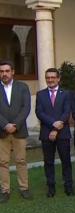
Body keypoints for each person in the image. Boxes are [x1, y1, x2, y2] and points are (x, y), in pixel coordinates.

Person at [35, 68, 74, 197]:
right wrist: (53, 124)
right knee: (48, 162)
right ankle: (51, 187)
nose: (50, 80)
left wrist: (56, 129)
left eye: (53, 77)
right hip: (46, 133)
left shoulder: (66, 94)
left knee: (66, 161)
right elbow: (39, 113)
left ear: (58, 79)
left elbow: (66, 112)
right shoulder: (40, 94)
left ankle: (68, 186)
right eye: (48, 78)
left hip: (62, 133)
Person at [0, 60, 32, 203]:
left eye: (7, 71)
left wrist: (15, 124)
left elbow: (26, 108)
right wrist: (5, 125)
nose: (4, 74)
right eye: (1, 71)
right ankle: (5, 190)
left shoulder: (23, 87)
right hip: (2, 131)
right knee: (2, 162)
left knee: (21, 160)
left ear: (12, 72)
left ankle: (24, 188)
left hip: (19, 131)